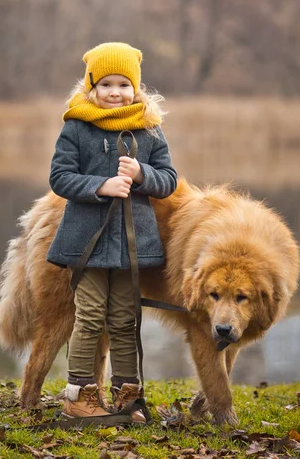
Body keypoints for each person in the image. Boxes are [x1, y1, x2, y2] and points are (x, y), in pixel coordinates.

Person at [47, 42, 177, 423]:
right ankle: (79, 396)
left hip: (131, 246)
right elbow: (59, 177)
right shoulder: (76, 126)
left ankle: (127, 396)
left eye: (123, 84)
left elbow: (168, 180)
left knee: (125, 318)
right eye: (105, 84)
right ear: (92, 87)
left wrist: (141, 175)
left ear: (135, 88)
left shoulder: (150, 131)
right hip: (87, 243)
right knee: (88, 316)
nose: (115, 92)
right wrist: (100, 187)